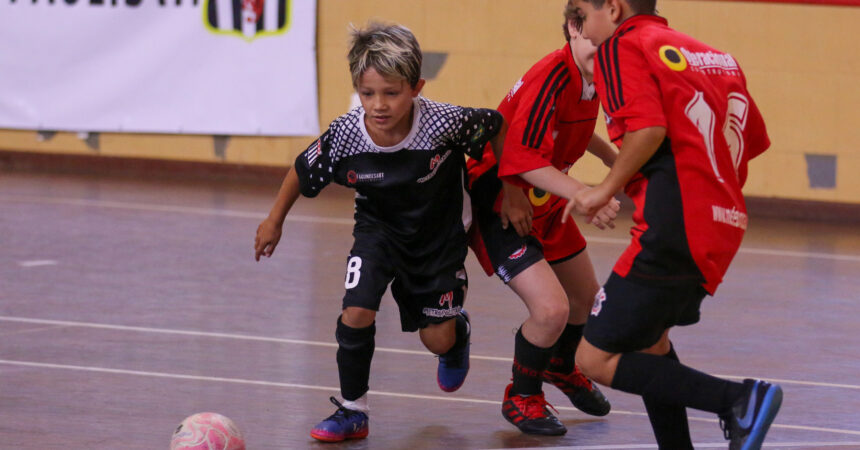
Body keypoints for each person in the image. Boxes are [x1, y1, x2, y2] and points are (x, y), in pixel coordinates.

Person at [253, 22, 505, 443]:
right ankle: (354, 410)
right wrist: (274, 220)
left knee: (435, 339)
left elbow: (497, 126)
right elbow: (301, 169)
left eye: (391, 93)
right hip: (378, 232)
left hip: (437, 241)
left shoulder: (445, 123)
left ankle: (456, 333)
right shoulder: (347, 134)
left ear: (416, 87)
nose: (379, 105)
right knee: (356, 311)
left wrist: (512, 192)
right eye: (368, 93)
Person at [566, 0, 782, 448]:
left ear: (614, 7)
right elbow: (749, 142)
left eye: (582, 14)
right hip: (723, 221)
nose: (583, 31)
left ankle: (740, 399)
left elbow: (648, 130)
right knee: (650, 344)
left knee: (593, 358)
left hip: (672, 224)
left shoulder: (622, 46)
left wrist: (603, 188)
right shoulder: (715, 56)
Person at [466, 2, 620, 435]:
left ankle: (559, 364)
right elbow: (515, 148)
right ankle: (522, 395)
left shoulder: (593, 77)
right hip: (502, 198)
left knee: (588, 302)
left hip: (542, 197)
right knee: (551, 310)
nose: (602, 46)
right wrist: (587, 194)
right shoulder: (551, 75)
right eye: (594, 36)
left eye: (611, 38)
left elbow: (563, 126)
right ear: (573, 27)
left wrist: (611, 155)